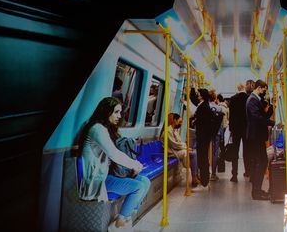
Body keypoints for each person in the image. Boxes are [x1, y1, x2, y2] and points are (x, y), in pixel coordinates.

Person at [77, 97, 150, 231]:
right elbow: (114, 154)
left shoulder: (104, 128)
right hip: (96, 179)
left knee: (145, 181)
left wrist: (132, 166)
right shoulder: (97, 129)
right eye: (116, 112)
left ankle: (124, 218)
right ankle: (119, 223)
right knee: (138, 187)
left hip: (103, 175)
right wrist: (135, 164)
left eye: (120, 112)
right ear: (106, 111)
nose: (119, 116)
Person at [246, 80, 276, 200]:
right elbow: (256, 118)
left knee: (260, 163)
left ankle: (257, 190)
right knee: (261, 162)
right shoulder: (252, 100)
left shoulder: (255, 100)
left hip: (256, 136)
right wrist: (271, 122)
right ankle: (256, 192)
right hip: (255, 137)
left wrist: (271, 108)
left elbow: (261, 116)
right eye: (264, 90)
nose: (265, 92)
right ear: (259, 88)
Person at [160, 113, 200, 187]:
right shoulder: (167, 131)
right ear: (174, 120)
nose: (180, 123)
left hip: (176, 150)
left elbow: (179, 143)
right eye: (179, 121)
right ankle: (194, 177)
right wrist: (186, 148)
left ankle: (196, 175)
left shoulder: (174, 130)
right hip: (171, 152)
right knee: (193, 154)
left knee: (195, 152)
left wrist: (186, 148)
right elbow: (175, 145)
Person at [190, 87, 213, 191]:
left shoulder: (204, 107)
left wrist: (196, 120)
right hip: (204, 136)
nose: (197, 95)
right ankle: (204, 181)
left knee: (202, 159)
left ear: (202, 96)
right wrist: (192, 89)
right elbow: (194, 99)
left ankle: (204, 183)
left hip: (203, 136)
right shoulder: (204, 105)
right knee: (202, 158)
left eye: (199, 94)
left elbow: (203, 122)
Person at [208, 89, 223, 181]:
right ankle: (213, 173)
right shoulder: (219, 108)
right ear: (215, 98)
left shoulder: (204, 107)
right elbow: (220, 124)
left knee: (206, 152)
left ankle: (204, 173)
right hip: (216, 133)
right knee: (215, 153)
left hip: (207, 133)